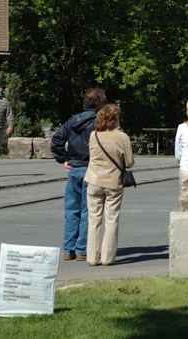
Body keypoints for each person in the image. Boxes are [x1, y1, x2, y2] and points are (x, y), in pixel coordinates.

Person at [50, 88, 106, 261]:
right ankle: (82, 249)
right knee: (88, 210)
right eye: (104, 102)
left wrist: (64, 158)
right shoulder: (99, 121)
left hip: (74, 168)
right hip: (91, 168)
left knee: (71, 209)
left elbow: (56, 141)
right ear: (97, 104)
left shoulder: (73, 120)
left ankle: (68, 249)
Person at [84, 103, 134, 267]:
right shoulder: (122, 137)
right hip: (113, 182)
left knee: (94, 219)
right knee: (111, 220)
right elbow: (129, 162)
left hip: (94, 180)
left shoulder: (93, 135)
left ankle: (92, 256)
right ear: (115, 120)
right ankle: (107, 257)